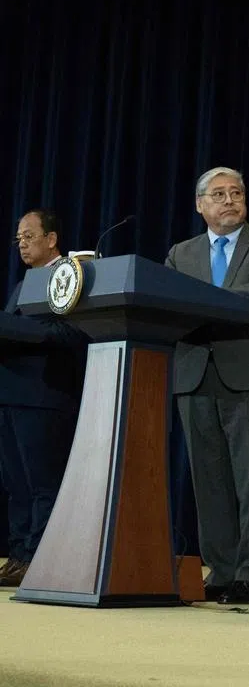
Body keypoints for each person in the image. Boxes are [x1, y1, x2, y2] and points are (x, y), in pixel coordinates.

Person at [165, 167, 249, 605]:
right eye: (218, 194)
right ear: (200, 205)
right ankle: (220, 570)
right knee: (209, 480)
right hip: (194, 372)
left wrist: (207, 302)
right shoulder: (181, 253)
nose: (229, 200)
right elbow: (167, 301)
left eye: (236, 192)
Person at [0, 209, 86, 586]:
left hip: (45, 395)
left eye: (29, 236)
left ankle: (39, 557)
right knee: (15, 485)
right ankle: (19, 554)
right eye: (18, 238)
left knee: (42, 485)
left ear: (51, 239)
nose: (22, 244)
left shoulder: (72, 275)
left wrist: (13, 328)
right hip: (10, 394)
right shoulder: (23, 284)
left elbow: (72, 334)